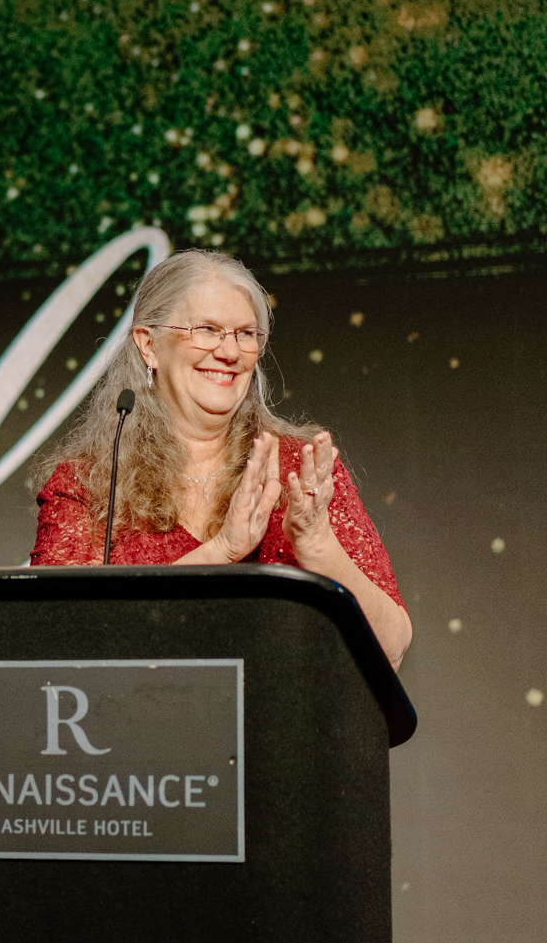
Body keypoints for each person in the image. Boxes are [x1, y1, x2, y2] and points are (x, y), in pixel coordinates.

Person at [29, 249, 412, 670]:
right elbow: (57, 641)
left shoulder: (299, 472)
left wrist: (317, 544)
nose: (230, 352)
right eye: (207, 329)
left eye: (245, 334)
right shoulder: (87, 483)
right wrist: (221, 552)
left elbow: (392, 646)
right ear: (148, 345)